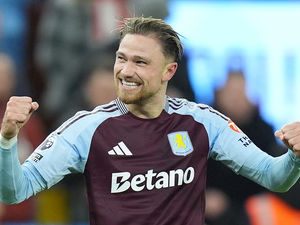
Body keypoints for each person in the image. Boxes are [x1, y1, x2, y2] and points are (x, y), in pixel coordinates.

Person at [0, 17, 300, 225]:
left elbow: (275, 178)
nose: (125, 71)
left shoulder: (203, 123)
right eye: (122, 58)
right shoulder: (86, 129)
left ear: (169, 71)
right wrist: (8, 140)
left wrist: (295, 157)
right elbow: (15, 192)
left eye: (140, 62)